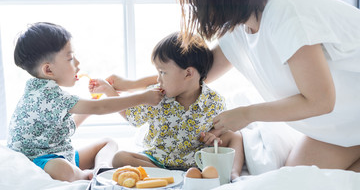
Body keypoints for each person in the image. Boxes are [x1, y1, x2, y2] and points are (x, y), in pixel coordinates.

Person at [171, 0, 360, 172]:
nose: (194, 5)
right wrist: (146, 89)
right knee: (294, 183)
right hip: (342, 122)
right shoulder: (241, 26)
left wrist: (246, 114)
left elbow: (321, 101)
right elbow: (193, 75)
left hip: (345, 115)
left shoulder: (286, 12)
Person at [7, 22, 163, 182]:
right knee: (61, 168)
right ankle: (83, 176)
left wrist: (88, 107)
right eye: (70, 58)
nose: (78, 64)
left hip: (59, 152)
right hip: (40, 161)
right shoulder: (49, 95)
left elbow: (62, 129)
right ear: (48, 70)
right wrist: (144, 97)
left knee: (108, 142)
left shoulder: (37, 90)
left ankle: (100, 168)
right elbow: (100, 108)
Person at [90, 32, 244, 179]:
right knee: (120, 158)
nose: (158, 79)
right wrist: (109, 91)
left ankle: (233, 175)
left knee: (235, 136)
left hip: (194, 162)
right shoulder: (155, 96)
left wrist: (212, 136)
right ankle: (169, 176)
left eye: (162, 72)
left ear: (188, 74)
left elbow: (219, 129)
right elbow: (131, 116)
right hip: (156, 160)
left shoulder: (214, 101)